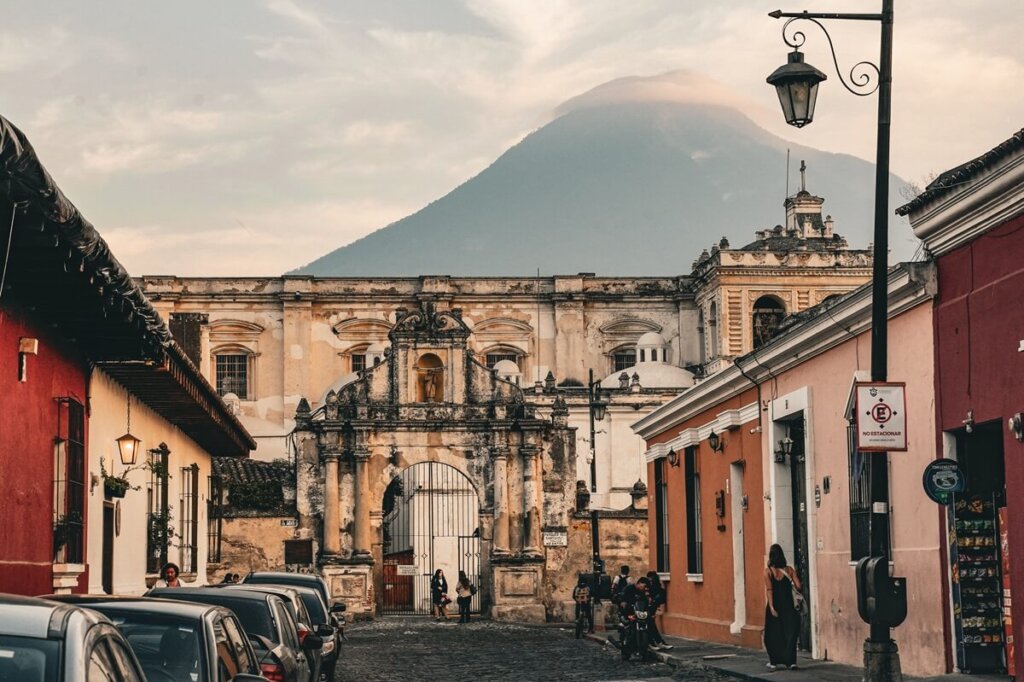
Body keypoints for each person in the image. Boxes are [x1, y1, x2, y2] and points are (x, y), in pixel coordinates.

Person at [763, 544, 801, 671]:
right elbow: (799, 586)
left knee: (772, 634)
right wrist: (794, 575)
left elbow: (769, 590)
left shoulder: (768, 572)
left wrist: (772, 607)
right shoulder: (789, 570)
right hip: (788, 605)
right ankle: (791, 662)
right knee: (790, 633)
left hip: (776, 605)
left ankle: (774, 661)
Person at [645, 571, 673, 650]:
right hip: (646, 609)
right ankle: (657, 642)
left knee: (650, 624)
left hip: (651, 608)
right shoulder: (648, 587)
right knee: (650, 624)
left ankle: (655, 642)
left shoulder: (655, 587)